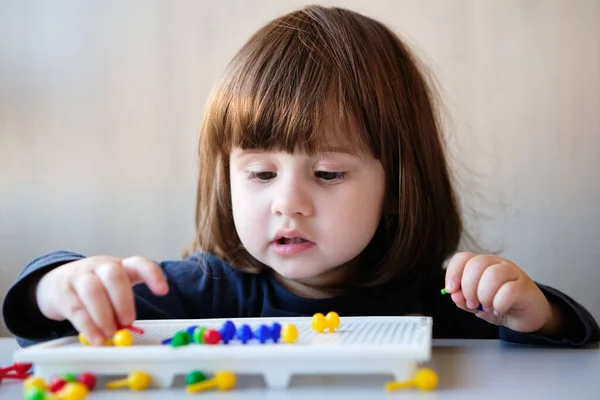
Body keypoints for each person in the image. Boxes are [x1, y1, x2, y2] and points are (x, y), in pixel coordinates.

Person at [3, 5, 598, 348]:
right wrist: (57, 286)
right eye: (260, 172)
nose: (289, 203)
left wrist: (535, 313)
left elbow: (559, 355)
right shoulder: (204, 292)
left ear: (398, 187)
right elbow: (47, 321)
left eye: (329, 173)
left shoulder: (438, 297)